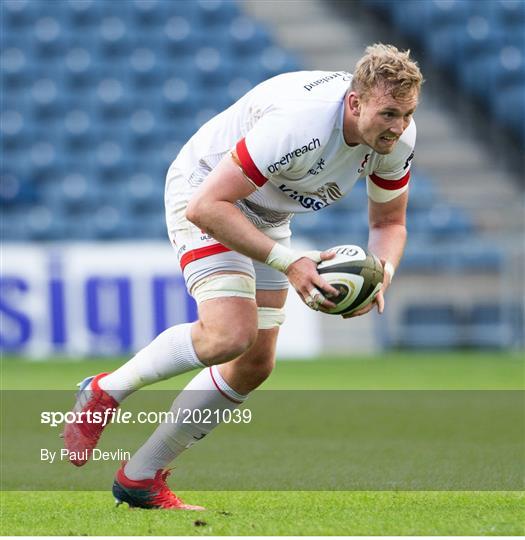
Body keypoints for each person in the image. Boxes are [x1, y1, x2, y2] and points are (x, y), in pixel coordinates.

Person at [64, 43, 423, 510]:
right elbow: (205, 207)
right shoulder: (301, 124)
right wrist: (290, 262)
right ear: (355, 103)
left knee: (254, 364)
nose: (398, 127)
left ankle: (140, 477)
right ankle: (104, 390)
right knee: (230, 334)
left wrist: (380, 275)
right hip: (207, 193)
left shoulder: (399, 139)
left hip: (269, 214)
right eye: (389, 113)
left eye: (407, 114)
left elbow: (388, 225)